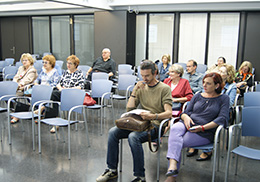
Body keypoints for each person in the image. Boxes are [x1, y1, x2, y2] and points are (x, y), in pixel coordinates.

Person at [96, 60, 172, 182]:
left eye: (147, 75)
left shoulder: (164, 88)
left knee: (133, 137)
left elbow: (169, 113)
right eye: (142, 75)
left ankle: (140, 176)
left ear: (155, 73)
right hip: (139, 123)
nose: (145, 78)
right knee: (112, 132)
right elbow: (130, 108)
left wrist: (152, 116)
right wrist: (135, 90)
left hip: (155, 124)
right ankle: (112, 170)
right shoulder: (141, 87)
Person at [164, 73, 229, 182]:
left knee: (178, 142)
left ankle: (171, 177)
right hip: (187, 123)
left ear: (217, 85)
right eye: (204, 82)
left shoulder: (223, 98)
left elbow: (222, 118)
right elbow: (185, 112)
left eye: (208, 83)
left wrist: (203, 127)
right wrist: (186, 118)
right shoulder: (198, 95)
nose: (204, 85)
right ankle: (172, 167)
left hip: (204, 130)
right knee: (175, 128)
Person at [187, 64, 237, 161]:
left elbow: (230, 103)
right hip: (206, 109)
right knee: (199, 113)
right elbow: (203, 96)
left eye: (222, 72)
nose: (219, 73)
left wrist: (217, 101)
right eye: (219, 71)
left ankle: (206, 150)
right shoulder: (209, 83)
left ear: (229, 75)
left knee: (211, 116)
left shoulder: (231, 87)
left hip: (221, 110)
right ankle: (193, 143)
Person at [48, 54, 85, 133]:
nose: (68, 65)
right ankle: (56, 120)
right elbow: (58, 83)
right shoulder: (65, 72)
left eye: (70, 63)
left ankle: (45, 110)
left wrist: (68, 90)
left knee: (54, 95)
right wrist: (61, 88)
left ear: (75, 65)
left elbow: (80, 87)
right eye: (67, 63)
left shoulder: (79, 73)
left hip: (73, 95)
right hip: (63, 93)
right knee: (54, 93)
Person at [11, 53, 38, 124]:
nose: (24, 62)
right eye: (23, 60)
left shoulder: (32, 70)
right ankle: (14, 110)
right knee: (6, 94)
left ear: (30, 61)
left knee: (13, 94)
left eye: (26, 60)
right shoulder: (21, 68)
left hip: (26, 88)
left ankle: (17, 114)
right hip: (18, 86)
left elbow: (27, 80)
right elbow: (16, 77)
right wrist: (15, 83)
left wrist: (20, 85)